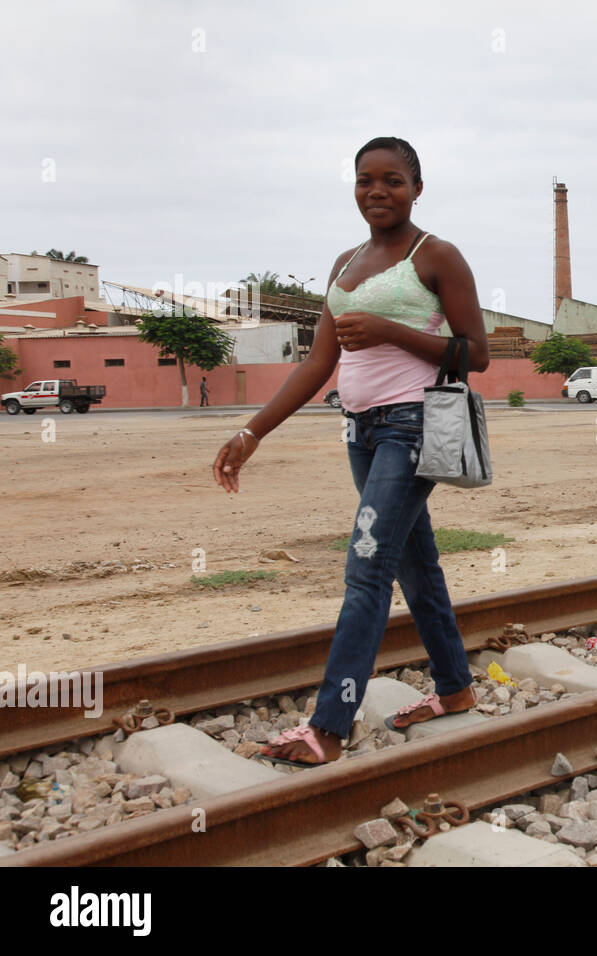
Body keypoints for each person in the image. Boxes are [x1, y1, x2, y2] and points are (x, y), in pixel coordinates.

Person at [211, 136, 490, 767]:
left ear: (417, 187)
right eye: (366, 180)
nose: (377, 192)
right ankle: (456, 689)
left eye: (393, 180)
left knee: (365, 567)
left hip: (413, 428)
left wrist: (392, 331)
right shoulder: (344, 263)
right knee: (415, 565)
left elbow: (477, 355)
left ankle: (328, 729)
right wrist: (252, 431)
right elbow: (318, 363)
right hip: (361, 431)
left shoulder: (436, 255)